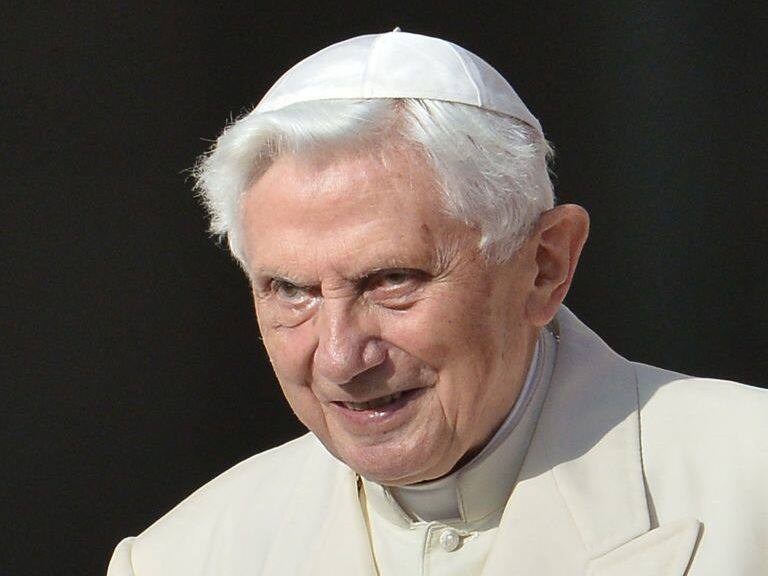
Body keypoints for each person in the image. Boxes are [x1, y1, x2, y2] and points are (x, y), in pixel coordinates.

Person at [107, 30, 767, 575]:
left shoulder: (748, 480)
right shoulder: (183, 558)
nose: (339, 359)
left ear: (545, 265)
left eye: (391, 280)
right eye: (291, 291)